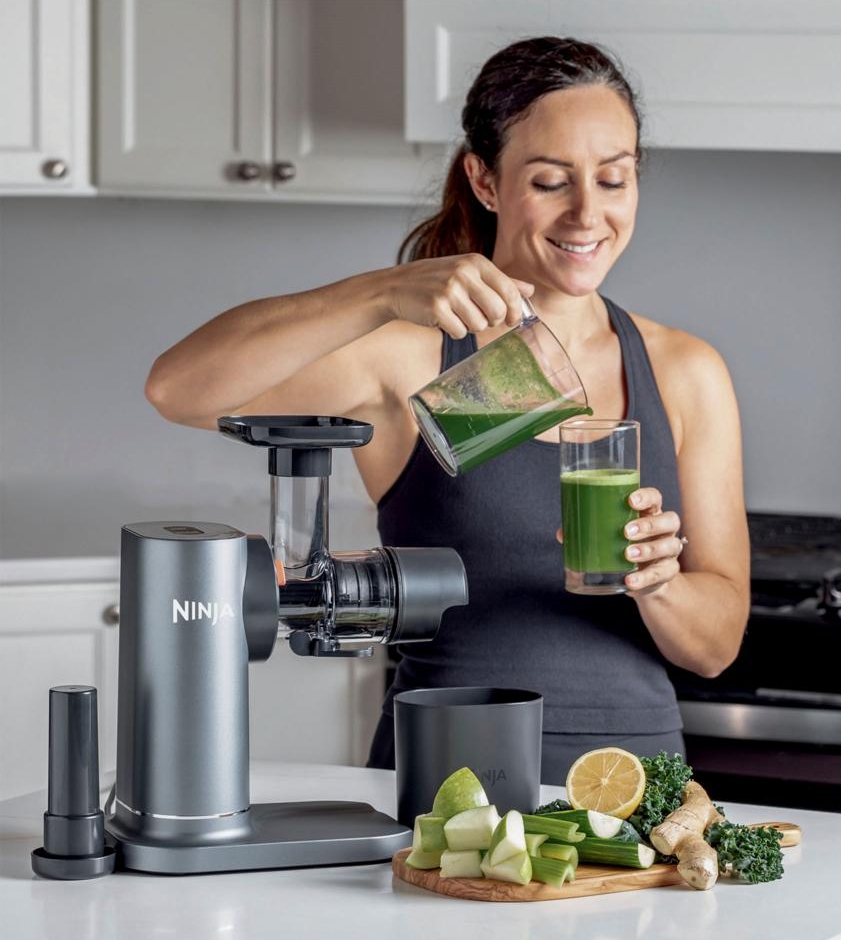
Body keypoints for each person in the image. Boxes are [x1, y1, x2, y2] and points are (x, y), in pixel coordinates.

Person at [145, 36, 750, 785]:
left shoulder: (684, 371)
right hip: (445, 788)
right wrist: (374, 295)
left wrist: (658, 583)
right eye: (552, 181)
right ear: (485, 181)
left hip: (632, 795)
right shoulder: (417, 353)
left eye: (614, 178)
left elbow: (717, 646)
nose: (587, 213)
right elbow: (180, 390)